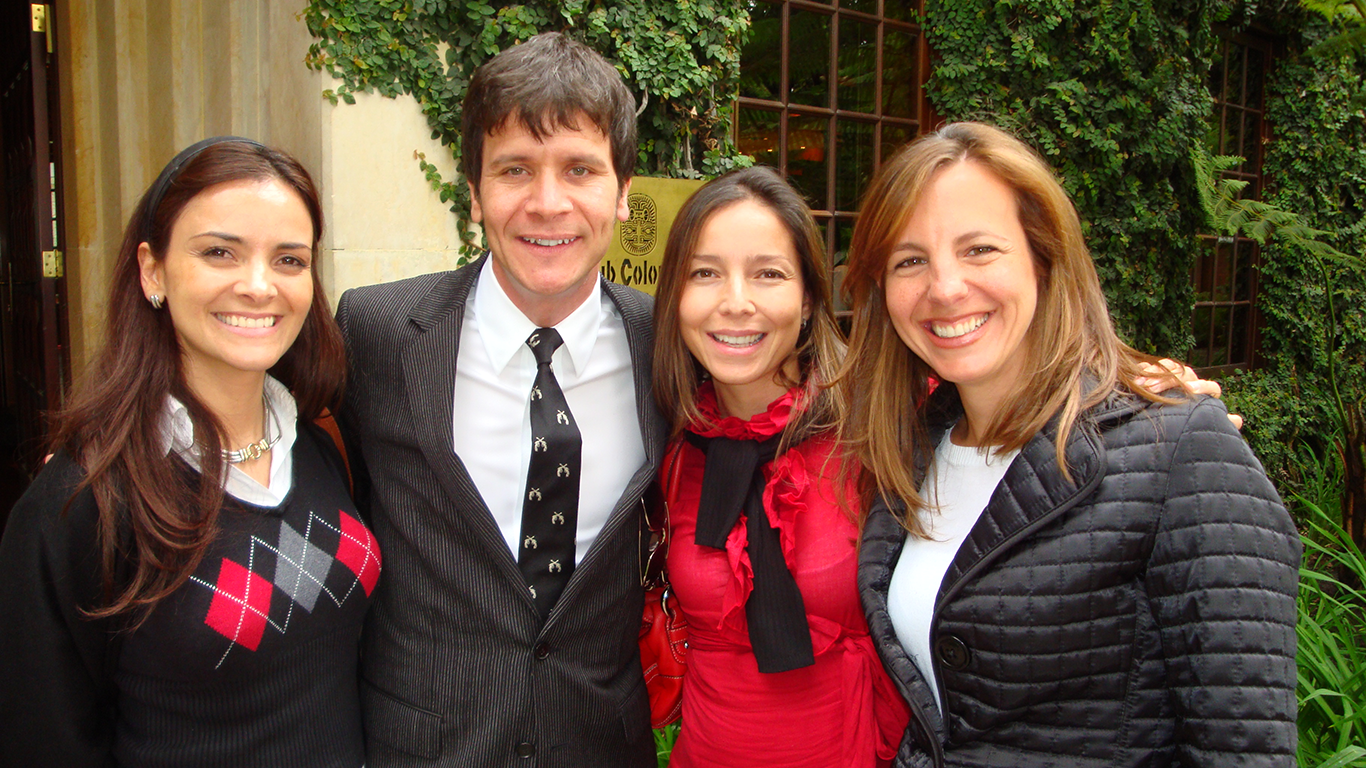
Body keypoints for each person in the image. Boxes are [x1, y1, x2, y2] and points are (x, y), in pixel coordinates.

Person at [841, 122, 1300, 766]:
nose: (943, 288)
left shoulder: (1183, 454)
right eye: (909, 260)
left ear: (1044, 256)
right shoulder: (913, 450)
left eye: (980, 249)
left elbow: (1243, 747)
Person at [336, 33, 664, 766]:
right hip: (422, 744)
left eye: (580, 169)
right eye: (515, 169)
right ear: (476, 191)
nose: (548, 204)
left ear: (621, 193)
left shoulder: (667, 346)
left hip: (600, 743)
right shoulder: (378, 332)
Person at [0, 137, 376, 767]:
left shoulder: (321, 443)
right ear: (153, 270)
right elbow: (44, 737)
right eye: (219, 252)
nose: (259, 287)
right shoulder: (83, 501)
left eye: (288, 259)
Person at [651, 165, 910, 766]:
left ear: (809, 296)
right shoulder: (668, 440)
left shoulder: (882, 424)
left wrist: (1121, 382)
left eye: (768, 274)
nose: (734, 303)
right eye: (705, 273)